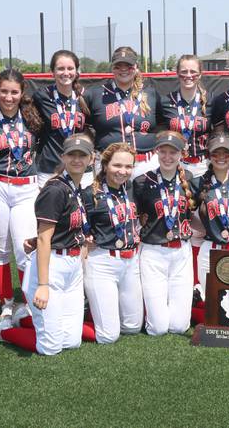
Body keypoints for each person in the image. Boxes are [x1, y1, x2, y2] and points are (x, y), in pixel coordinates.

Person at [0, 135, 93, 355]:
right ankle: (3, 331)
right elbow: (45, 239)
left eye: (82, 155)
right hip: (52, 266)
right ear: (63, 157)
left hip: (72, 266)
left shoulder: (78, 188)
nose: (77, 159)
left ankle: (24, 319)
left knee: (71, 342)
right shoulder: (55, 189)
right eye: (72, 155)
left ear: (91, 159)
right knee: (50, 347)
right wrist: (43, 285)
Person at [0, 69, 43, 321]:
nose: (8, 97)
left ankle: (28, 301)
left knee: (24, 247)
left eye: (14, 92)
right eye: (4, 91)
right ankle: (6, 302)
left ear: (22, 92)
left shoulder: (32, 117)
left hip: (26, 187)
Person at [133, 131, 196, 335]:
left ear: (181, 154)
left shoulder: (191, 179)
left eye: (173, 152)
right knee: (158, 329)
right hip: (153, 252)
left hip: (182, 252)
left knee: (179, 327)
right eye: (163, 152)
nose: (168, 157)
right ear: (156, 152)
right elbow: (134, 217)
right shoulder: (142, 181)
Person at [81, 142, 143, 344]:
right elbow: (77, 225)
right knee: (108, 336)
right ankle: (64, 322)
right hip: (103, 263)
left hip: (131, 263)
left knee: (132, 327)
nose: (123, 171)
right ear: (105, 165)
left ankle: (96, 313)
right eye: (117, 165)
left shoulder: (133, 188)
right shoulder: (89, 194)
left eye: (128, 166)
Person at [85, 47, 161, 180]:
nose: (123, 70)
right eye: (118, 66)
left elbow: (162, 124)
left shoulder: (150, 93)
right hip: (108, 164)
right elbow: (84, 126)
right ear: (112, 68)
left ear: (136, 67)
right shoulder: (95, 94)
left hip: (146, 163)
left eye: (129, 66)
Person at [192, 133, 229, 299]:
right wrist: (209, 227)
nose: (221, 158)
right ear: (209, 156)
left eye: (226, 153)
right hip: (210, 247)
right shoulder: (198, 182)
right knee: (213, 302)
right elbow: (185, 216)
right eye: (216, 153)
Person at [32, 49, 91, 187]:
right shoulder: (41, 96)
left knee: (82, 208)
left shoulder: (86, 96)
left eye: (70, 68)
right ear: (52, 71)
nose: (66, 73)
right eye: (60, 68)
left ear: (77, 71)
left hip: (81, 166)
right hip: (50, 167)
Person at [158, 55, 213, 177]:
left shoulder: (211, 100)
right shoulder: (165, 101)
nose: (188, 75)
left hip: (203, 164)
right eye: (184, 71)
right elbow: (159, 132)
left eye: (193, 71)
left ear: (200, 74)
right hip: (175, 164)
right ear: (177, 73)